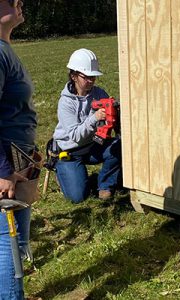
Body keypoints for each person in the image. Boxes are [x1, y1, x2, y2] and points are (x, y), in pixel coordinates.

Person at [0, 1, 38, 299]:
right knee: (6, 244)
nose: (20, 2)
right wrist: (2, 171)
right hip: (5, 167)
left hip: (17, 161)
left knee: (18, 241)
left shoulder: (4, 48)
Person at [53, 48, 122, 203]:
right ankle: (63, 173)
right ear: (74, 76)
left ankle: (105, 185)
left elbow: (111, 115)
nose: (91, 81)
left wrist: (115, 110)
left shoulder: (99, 93)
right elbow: (75, 136)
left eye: (93, 77)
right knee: (77, 197)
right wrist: (94, 118)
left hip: (93, 145)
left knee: (119, 146)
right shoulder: (65, 102)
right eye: (87, 77)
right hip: (70, 150)